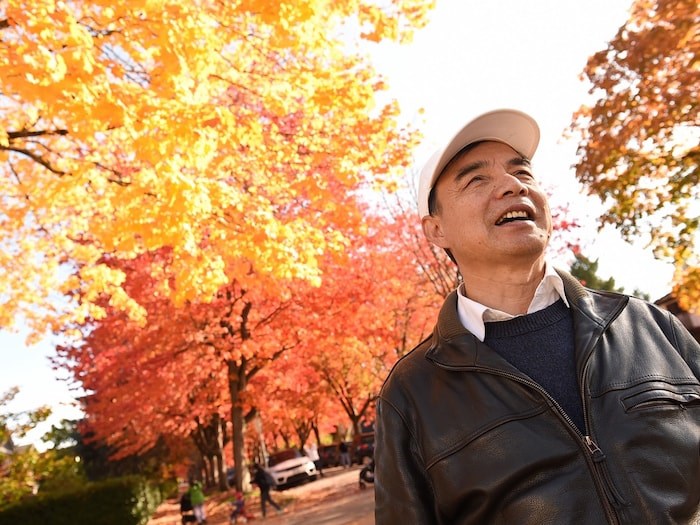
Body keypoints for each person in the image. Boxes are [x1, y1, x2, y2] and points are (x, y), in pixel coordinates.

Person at [374, 108, 700, 524]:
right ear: (436, 231)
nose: (512, 186)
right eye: (477, 179)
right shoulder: (411, 394)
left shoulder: (649, 325)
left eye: (522, 173)